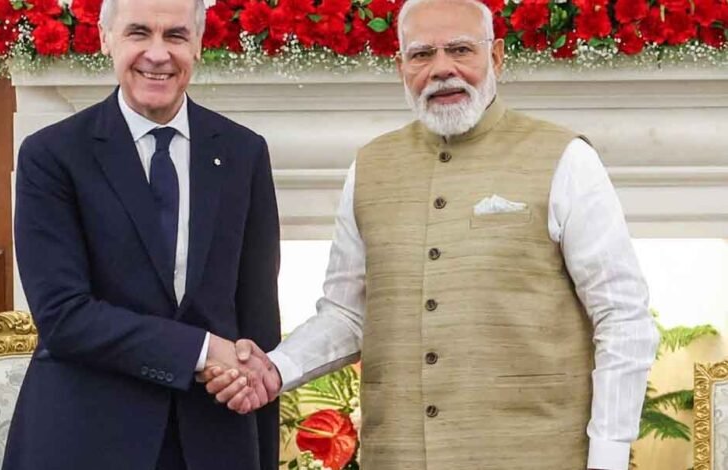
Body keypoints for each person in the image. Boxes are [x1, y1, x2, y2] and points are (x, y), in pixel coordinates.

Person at [203, 0, 660, 468]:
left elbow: (622, 317)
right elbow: (348, 313)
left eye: (460, 49)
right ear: (401, 66)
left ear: (496, 57)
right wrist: (276, 368)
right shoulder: (370, 166)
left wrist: (608, 458)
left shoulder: (565, 158)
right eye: (422, 54)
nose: (442, 69)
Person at [4, 0, 281, 468]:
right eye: (138, 33)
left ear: (198, 44)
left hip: (213, 442)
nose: (157, 53)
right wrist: (201, 350)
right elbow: (63, 316)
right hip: (85, 441)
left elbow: (258, 326)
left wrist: (261, 448)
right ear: (105, 38)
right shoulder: (51, 155)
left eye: (175, 35)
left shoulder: (244, 153)